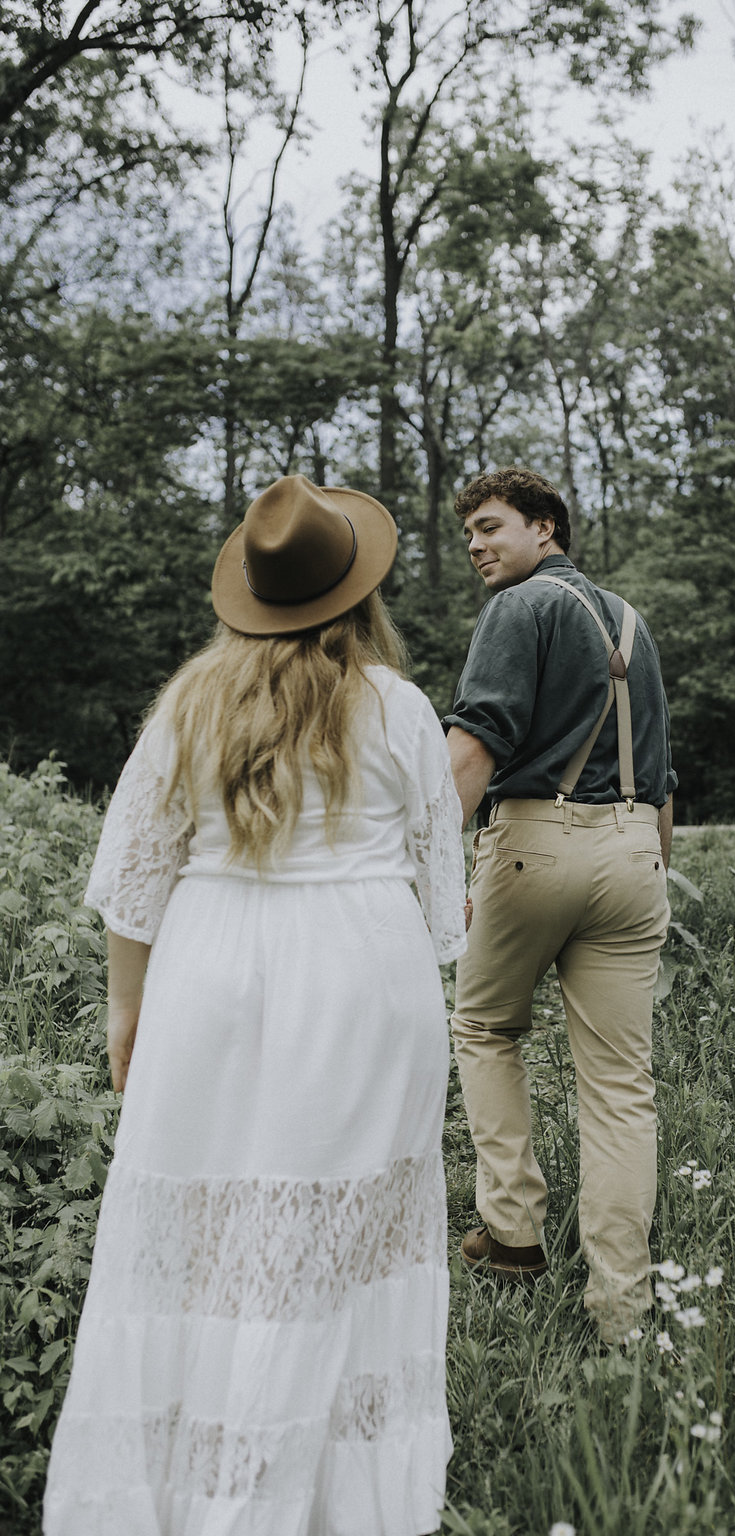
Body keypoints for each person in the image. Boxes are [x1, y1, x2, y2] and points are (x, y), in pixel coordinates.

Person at [43, 475, 468, 1536]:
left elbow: (135, 877)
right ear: (358, 594)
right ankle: (329, 1493)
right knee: (344, 1227)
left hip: (212, 965)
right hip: (365, 971)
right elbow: (438, 871)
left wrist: (123, 1012)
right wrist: (427, 972)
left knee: (208, 1225)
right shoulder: (400, 707)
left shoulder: (191, 699)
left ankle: (203, 1482)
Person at [443, 466, 676, 1343]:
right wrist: (655, 874)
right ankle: (623, 1308)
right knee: (621, 1086)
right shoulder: (632, 622)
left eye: (491, 527)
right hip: (632, 854)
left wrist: (422, 871)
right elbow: (661, 778)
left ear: (547, 531)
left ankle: (512, 1236)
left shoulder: (519, 608)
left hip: (535, 843)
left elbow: (475, 749)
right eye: (468, 532)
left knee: (485, 1028)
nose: (476, 545)